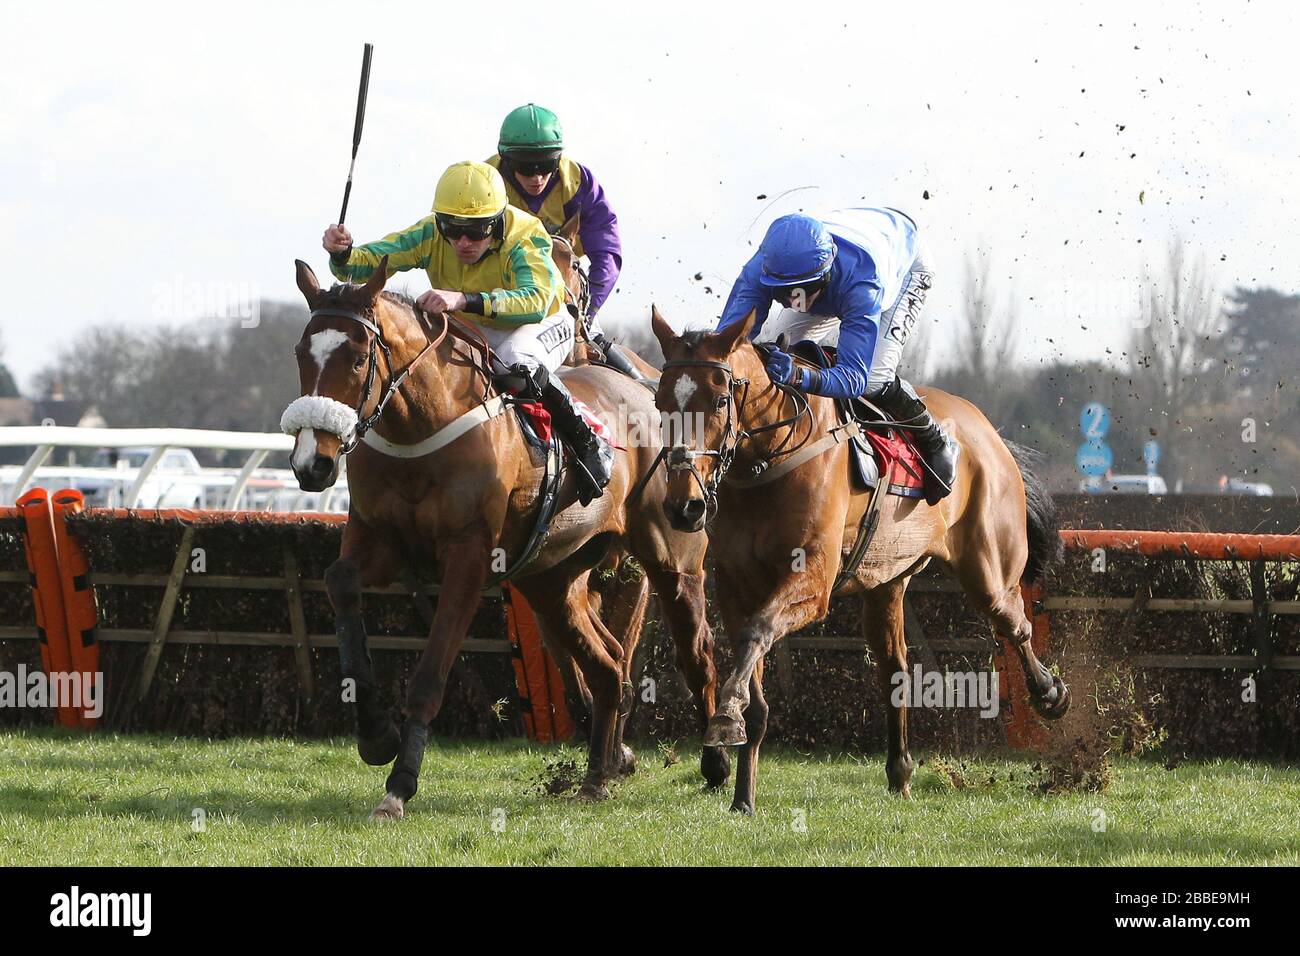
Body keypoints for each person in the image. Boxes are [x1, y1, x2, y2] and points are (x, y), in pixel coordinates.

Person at [321, 160, 613, 504]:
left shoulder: (525, 235)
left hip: (539, 322)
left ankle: (588, 441)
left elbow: (535, 300)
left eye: (476, 232)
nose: (462, 242)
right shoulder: (430, 232)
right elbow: (372, 262)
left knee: (515, 361)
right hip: (473, 325)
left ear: (498, 222)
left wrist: (464, 299)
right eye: (451, 229)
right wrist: (343, 254)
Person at [716, 207, 959, 504]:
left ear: (824, 276)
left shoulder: (862, 285)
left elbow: (855, 378)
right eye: (784, 292)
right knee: (769, 350)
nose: (795, 300)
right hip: (850, 242)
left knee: (875, 378)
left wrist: (799, 375)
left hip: (905, 264)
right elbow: (722, 350)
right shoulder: (760, 270)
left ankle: (935, 439)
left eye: (802, 290)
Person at [487, 104, 641, 377]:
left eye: (546, 165)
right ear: (505, 160)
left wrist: (589, 310)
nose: (536, 177)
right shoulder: (486, 183)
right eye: (525, 167)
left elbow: (607, 251)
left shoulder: (580, 183)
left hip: (566, 287)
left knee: (595, 340)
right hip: (504, 289)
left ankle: (643, 387)